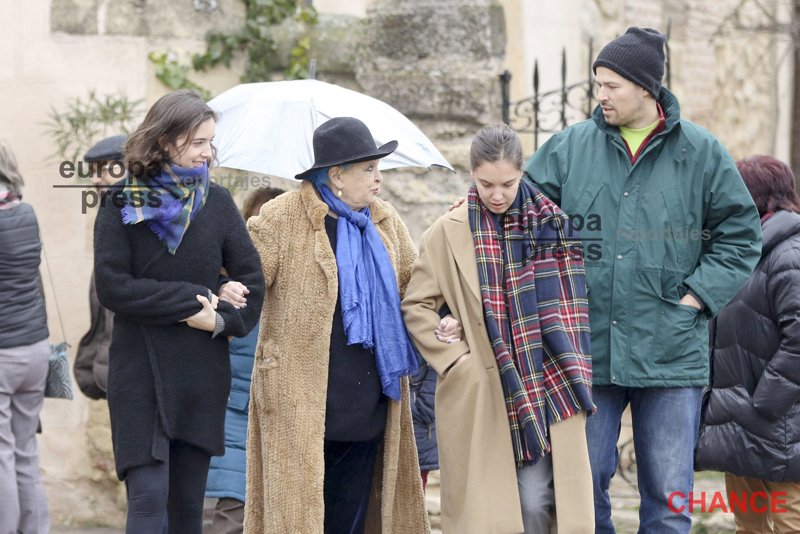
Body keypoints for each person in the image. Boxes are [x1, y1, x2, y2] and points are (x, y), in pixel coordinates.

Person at [525, 27, 763, 532]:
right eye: (598, 84)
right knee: (581, 490)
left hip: (671, 350)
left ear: (645, 88)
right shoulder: (569, 149)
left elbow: (741, 236)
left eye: (611, 85)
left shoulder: (701, 152)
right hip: (587, 350)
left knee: (669, 498)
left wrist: (697, 298)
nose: (601, 94)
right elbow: (522, 221)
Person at [402, 124, 595, 533]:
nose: (497, 194)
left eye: (507, 183)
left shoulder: (554, 227)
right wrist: (457, 360)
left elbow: (574, 311)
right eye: (486, 184)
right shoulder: (446, 232)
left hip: (546, 383)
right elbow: (418, 305)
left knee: (536, 502)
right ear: (472, 174)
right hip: (481, 391)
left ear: (522, 172)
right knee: (491, 513)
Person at [245, 117, 430, 533]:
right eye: (369, 168)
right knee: (297, 521)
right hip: (301, 404)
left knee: (350, 522)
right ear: (336, 175)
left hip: (368, 404)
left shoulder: (384, 222)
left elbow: (416, 289)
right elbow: (247, 280)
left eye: (378, 168)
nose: (379, 178)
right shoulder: (282, 218)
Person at [93, 89, 265, 533]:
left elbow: (253, 282)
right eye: (197, 142)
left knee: (188, 511)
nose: (207, 153)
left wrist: (221, 319)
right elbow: (113, 287)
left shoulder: (218, 203)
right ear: (164, 140)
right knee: (148, 502)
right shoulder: (121, 201)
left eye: (210, 142)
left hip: (199, 375)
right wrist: (197, 298)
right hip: (139, 375)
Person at [695, 155, 800, 533]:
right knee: (748, 525)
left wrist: (762, 403)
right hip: (739, 423)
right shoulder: (739, 253)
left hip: (782, 425)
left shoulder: (790, 253)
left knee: (790, 522)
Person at [204, 186, 285, 534]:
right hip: (236, 411)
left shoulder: (293, 286)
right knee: (233, 509)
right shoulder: (231, 286)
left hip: (267, 414)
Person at [0, 139, 50, 533]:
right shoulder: (26, 212)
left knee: (1, 454)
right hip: (36, 349)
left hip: (3, 353)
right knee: (26, 451)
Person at [74, 134, 127, 400]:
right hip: (112, 367)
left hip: (129, 367)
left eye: (103, 170)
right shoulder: (110, 216)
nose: (95, 179)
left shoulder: (142, 220)